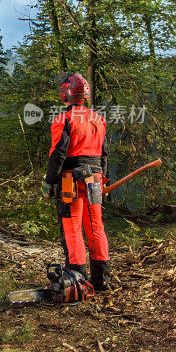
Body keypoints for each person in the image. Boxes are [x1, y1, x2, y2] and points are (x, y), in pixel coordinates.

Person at [41, 72, 111, 291]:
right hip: (95, 178)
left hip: (71, 179)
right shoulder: (99, 118)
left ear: (65, 94)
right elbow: (104, 154)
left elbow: (58, 154)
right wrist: (103, 181)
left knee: (72, 228)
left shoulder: (64, 118)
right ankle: (102, 280)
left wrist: (49, 181)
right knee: (96, 227)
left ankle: (77, 281)